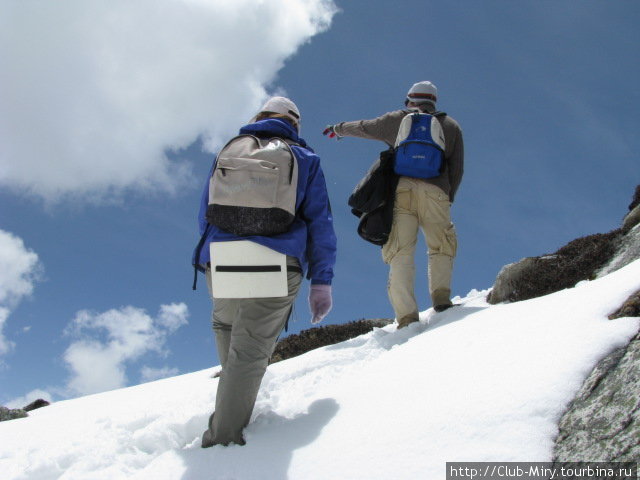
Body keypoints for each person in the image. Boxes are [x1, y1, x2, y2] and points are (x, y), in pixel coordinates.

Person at [193, 96, 337, 446]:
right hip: (277, 259)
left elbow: (206, 210)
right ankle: (222, 441)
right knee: (250, 351)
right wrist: (322, 282)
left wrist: (209, 255)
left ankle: (230, 411)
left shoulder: (231, 149)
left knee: (225, 326)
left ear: (259, 117)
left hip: (221, 258)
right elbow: (320, 223)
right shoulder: (305, 158)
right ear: (295, 124)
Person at [324, 81, 463, 328]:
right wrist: (447, 195)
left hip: (402, 192)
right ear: (433, 101)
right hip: (436, 191)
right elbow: (456, 167)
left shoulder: (399, 119)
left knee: (401, 252)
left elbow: (366, 127)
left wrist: (339, 129)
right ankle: (441, 300)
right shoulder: (450, 125)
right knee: (441, 245)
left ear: (410, 99)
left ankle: (407, 317)